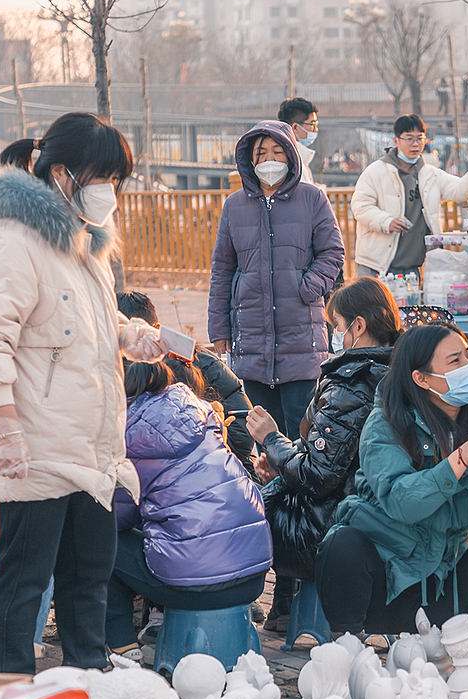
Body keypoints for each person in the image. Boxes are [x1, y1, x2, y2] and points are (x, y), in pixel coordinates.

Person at [0, 111, 168, 674]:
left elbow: (82, 325)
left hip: (91, 448)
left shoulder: (83, 243)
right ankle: (10, 690)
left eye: (117, 180)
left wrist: (131, 335)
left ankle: (88, 683)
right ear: (61, 174)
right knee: (23, 581)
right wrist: (5, 428)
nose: (110, 191)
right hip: (36, 447)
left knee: (88, 579)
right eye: (103, 177)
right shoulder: (10, 239)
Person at [315, 324, 468, 635]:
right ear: (421, 378)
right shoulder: (385, 424)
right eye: (455, 360)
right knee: (342, 544)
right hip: (387, 581)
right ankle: (347, 644)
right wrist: (459, 460)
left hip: (443, 577)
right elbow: (402, 503)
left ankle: (459, 641)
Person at [246, 277, 402, 633]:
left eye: (337, 325)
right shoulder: (402, 368)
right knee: (279, 485)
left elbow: (318, 476)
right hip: (380, 510)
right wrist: (282, 464)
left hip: (341, 525)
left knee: (246, 512)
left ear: (358, 326)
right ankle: (285, 608)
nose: (335, 335)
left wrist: (270, 438)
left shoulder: (353, 383)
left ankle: (251, 603)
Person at [106, 360, 272, 661]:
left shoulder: (127, 432)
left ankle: (122, 645)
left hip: (197, 589)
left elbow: (117, 518)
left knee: (102, 539)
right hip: (253, 578)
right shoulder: (200, 412)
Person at [207, 120, 344, 439]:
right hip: (251, 337)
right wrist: (219, 329)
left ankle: (303, 475)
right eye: (262, 153)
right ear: (250, 159)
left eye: (277, 152)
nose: (269, 159)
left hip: (301, 337)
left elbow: (333, 253)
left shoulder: (312, 198)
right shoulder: (234, 205)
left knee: (303, 431)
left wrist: (307, 287)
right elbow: (223, 270)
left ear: (291, 156)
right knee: (263, 433)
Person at [117, 291, 257, 476]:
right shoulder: (108, 371)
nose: (134, 347)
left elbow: (243, 429)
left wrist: (211, 440)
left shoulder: (197, 361)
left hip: (223, 466)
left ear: (156, 329)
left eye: (138, 335)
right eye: (123, 340)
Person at [351, 115, 468, 277]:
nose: (415, 144)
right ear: (396, 141)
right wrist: (387, 222)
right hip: (376, 264)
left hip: (412, 265)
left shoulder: (430, 174)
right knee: (372, 295)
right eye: (409, 139)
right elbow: (361, 207)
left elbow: (459, 190)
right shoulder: (376, 171)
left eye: (420, 138)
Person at [278, 97, 320, 172]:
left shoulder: (301, 159)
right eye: (312, 124)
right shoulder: (293, 165)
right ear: (295, 128)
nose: (315, 129)